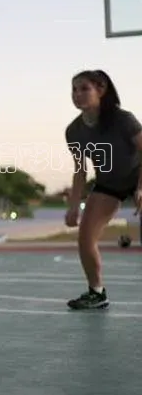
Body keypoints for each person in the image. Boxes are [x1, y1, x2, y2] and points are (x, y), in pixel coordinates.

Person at [64, 69, 142, 310]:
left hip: (138, 175)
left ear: (101, 90)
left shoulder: (123, 120)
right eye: (74, 90)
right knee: (85, 237)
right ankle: (97, 293)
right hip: (109, 184)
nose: (77, 94)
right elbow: (80, 171)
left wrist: (141, 188)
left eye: (84, 88)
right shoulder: (74, 131)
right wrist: (74, 205)